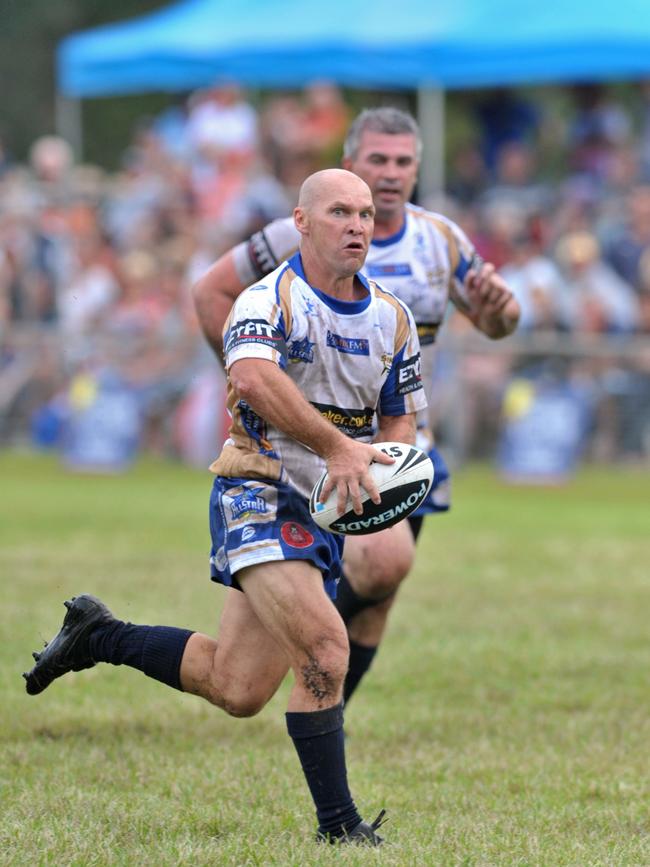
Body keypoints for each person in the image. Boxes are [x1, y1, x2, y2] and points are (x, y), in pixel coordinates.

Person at [23, 168, 428, 845]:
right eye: (339, 212)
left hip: (322, 510)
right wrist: (338, 448)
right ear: (300, 223)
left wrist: (382, 471)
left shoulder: (393, 317)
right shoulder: (267, 299)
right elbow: (252, 377)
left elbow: (400, 423)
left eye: (364, 214)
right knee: (326, 649)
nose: (357, 225)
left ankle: (98, 635)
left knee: (236, 685)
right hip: (258, 490)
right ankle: (340, 829)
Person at [192, 107, 521, 709]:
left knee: (381, 592)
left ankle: (323, 695)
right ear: (350, 166)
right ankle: (314, 660)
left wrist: (502, 308)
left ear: (417, 169)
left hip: (399, 440)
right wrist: (251, 383)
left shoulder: (441, 240)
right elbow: (211, 290)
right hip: (315, 447)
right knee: (382, 563)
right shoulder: (293, 236)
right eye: (378, 161)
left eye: (402, 162)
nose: (391, 173)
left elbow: (497, 323)